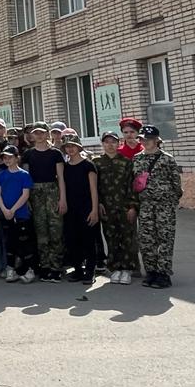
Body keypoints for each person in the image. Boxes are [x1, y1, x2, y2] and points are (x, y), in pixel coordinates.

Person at [132, 125, 182, 288]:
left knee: (165, 239)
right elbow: (135, 181)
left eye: (148, 139)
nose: (145, 142)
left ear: (156, 141)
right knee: (146, 240)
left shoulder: (167, 159)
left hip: (164, 206)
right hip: (146, 205)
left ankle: (163, 274)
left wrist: (170, 201)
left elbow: (176, 184)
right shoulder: (137, 158)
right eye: (142, 139)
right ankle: (151, 272)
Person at [20, 122, 67, 282]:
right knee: (41, 232)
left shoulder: (56, 154)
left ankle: (56, 267)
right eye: (36, 133)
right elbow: (25, 179)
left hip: (52, 191)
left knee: (56, 230)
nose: (39, 136)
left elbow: (60, 178)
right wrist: (26, 200)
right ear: (32, 135)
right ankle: (45, 266)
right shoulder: (28, 154)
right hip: (35, 193)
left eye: (42, 133)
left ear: (47, 134)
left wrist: (62, 199)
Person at [94, 131, 138, 285]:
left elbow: (132, 186)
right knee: (111, 238)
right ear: (103, 144)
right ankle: (115, 268)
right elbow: (94, 186)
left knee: (127, 238)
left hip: (124, 206)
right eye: (107, 142)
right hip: (106, 208)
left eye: (113, 141)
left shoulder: (127, 162)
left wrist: (132, 206)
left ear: (118, 143)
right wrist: (98, 203)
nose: (110, 145)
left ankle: (127, 269)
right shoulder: (97, 162)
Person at [59, 134, 99, 284]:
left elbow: (94, 190)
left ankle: (90, 271)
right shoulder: (65, 167)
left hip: (86, 208)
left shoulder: (88, 165)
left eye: (73, 146)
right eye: (67, 147)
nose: (70, 149)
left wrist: (94, 210)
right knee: (72, 240)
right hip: (71, 209)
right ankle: (77, 270)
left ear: (79, 147)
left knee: (88, 241)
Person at [0, 145, 37, 283]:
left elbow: (25, 195)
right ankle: (10, 269)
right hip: (6, 214)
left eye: (10, 157)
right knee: (10, 243)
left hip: (21, 215)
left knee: (25, 243)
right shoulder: (1, 174)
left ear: (17, 158)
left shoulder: (24, 175)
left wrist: (13, 210)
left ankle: (29, 270)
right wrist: (4, 210)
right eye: (5, 157)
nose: (7, 160)